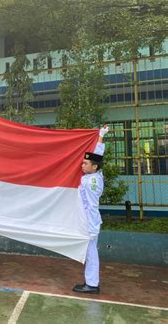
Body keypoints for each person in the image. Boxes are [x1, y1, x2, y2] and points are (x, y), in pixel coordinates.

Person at [73, 125, 109, 294]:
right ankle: (91, 282)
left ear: (94, 167)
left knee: (91, 254)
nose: (82, 165)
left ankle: (92, 284)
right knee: (90, 252)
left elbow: (92, 205)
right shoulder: (93, 175)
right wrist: (101, 136)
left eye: (85, 163)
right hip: (89, 221)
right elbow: (98, 156)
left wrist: (89, 225)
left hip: (90, 222)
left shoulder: (92, 182)